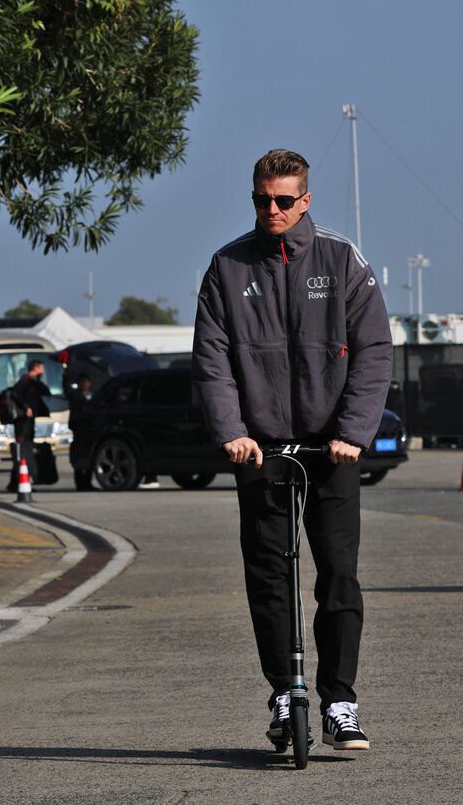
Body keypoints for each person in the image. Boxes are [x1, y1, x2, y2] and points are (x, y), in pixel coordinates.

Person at [192, 149, 392, 752]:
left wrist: (352, 434)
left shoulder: (342, 259)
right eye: (262, 199)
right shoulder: (227, 266)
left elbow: (374, 350)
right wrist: (232, 431)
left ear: (305, 201)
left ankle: (340, 702)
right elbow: (212, 361)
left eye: (283, 200)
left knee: (338, 576)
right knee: (269, 577)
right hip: (260, 450)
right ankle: (285, 692)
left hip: (332, 450)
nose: (271, 210)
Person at [7, 360, 51, 491]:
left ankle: (16, 482)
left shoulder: (34, 382)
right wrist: (26, 407)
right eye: (41, 369)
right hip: (22, 421)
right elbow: (16, 394)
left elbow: (46, 391)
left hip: (30, 421)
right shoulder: (25, 380)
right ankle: (18, 482)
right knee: (22, 450)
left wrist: (37, 381)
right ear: (35, 368)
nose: (43, 371)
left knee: (27, 450)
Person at [64, 372, 96, 491]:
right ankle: (79, 483)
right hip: (78, 429)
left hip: (90, 430)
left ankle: (88, 482)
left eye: (85, 381)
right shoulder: (75, 395)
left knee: (89, 456)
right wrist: (66, 376)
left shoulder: (94, 396)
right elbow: (67, 390)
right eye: (81, 382)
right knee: (78, 457)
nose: (84, 384)